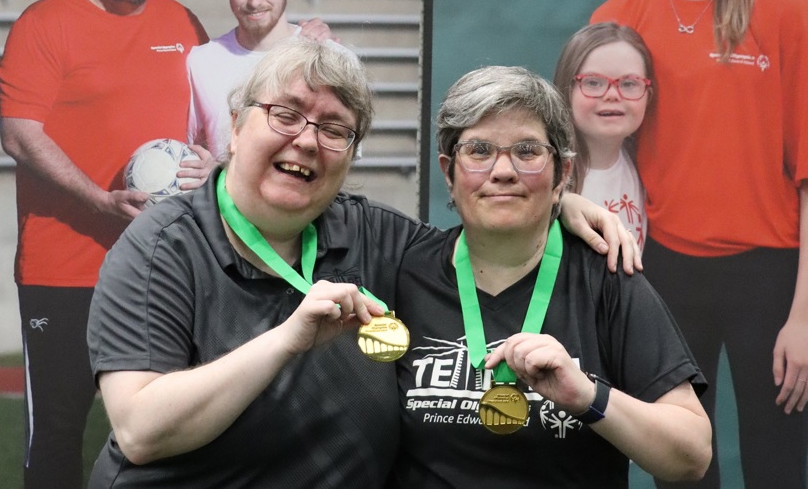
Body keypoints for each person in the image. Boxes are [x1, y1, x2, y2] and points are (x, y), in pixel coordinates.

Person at [86, 38, 642, 487]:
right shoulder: (163, 245)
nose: (307, 141)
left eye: (334, 130)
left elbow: (483, 227)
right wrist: (287, 338)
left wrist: (555, 199)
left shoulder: (373, 234)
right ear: (234, 127)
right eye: (286, 115)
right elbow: (140, 431)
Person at [389, 66, 711, 488]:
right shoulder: (402, 269)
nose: (502, 171)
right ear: (449, 172)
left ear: (561, 173)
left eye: (526, 151)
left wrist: (586, 396)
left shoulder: (606, 277)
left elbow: (692, 455)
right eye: (480, 150)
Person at [590, 0, 808, 487]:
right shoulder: (619, 15)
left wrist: (803, 317)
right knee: (682, 469)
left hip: (773, 279)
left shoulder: (786, 10)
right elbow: (591, 152)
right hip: (662, 272)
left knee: (777, 463)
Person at [0, 0, 210, 486]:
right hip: (63, 272)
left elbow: (212, 123)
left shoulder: (184, 25)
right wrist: (99, 200)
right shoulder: (45, 23)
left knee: (165, 436)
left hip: (160, 271)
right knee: (55, 433)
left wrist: (210, 161)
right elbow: (19, 134)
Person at [187, 0, 342, 160]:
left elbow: (338, 157)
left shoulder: (330, 57)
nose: (254, 1)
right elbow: (192, 153)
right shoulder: (200, 61)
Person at [553, 22, 653, 248]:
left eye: (629, 84)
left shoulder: (643, 166)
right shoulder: (548, 178)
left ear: (648, 94)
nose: (612, 95)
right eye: (593, 82)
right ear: (566, 90)